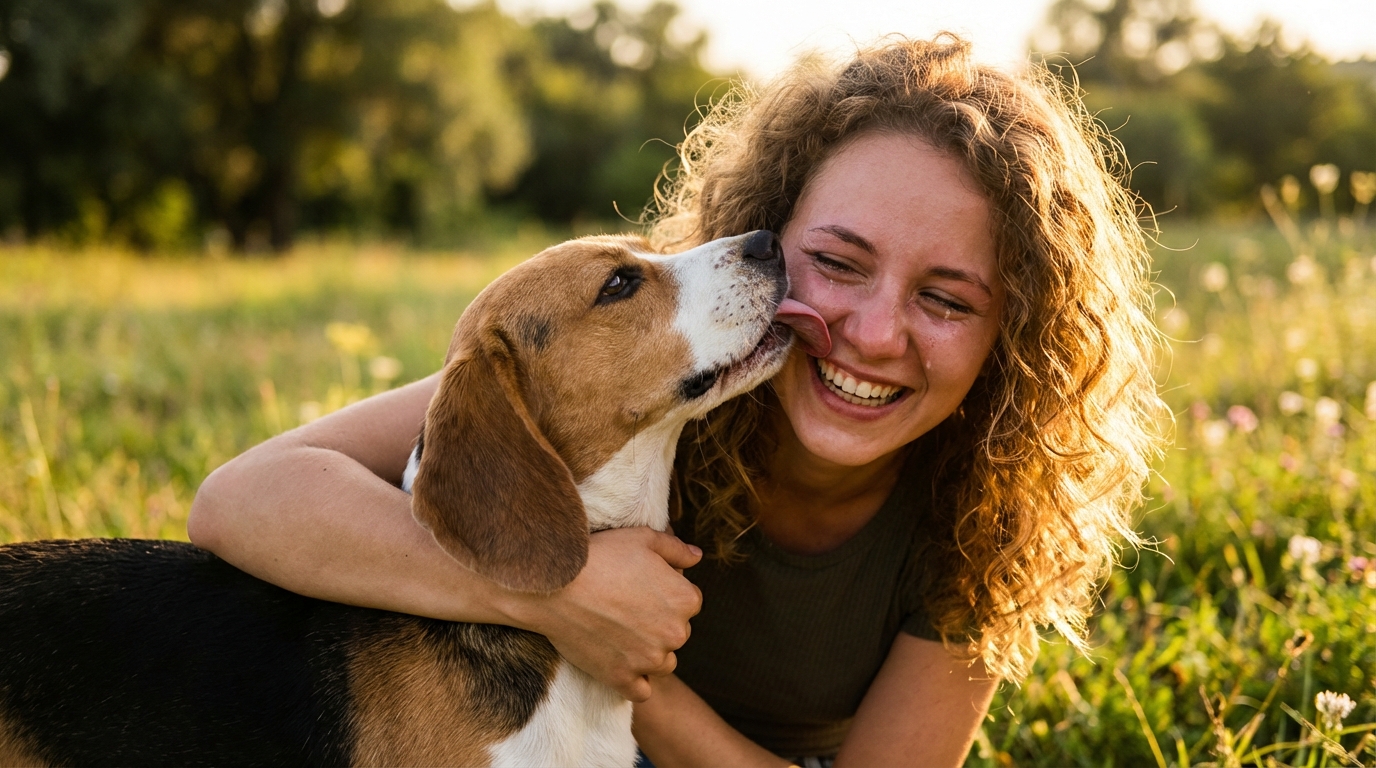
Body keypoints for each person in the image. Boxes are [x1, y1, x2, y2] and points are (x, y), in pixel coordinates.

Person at [188, 34, 1165, 767]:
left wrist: (641, 685)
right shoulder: (644, 384)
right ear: (763, 231)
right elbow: (243, 498)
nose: (872, 334)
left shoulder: (981, 520)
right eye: (833, 262)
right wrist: (555, 594)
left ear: (1017, 335)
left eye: (946, 299)